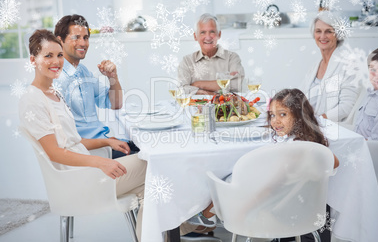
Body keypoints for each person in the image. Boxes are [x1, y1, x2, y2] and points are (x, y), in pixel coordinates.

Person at [19, 29, 147, 239]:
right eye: (48, 56)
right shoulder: (32, 100)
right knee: (149, 163)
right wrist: (101, 163)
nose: (56, 61)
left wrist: (106, 141)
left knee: (149, 189)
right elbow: (55, 153)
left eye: (59, 55)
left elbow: (73, 142)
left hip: (85, 173)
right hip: (77, 181)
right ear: (33, 60)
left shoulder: (54, 94)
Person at [183, 88, 339, 240]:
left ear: (300, 117)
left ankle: (204, 216)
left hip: (278, 212)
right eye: (272, 115)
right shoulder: (310, 143)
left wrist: (243, 211)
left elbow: (270, 188)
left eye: (282, 115)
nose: (275, 121)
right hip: (306, 210)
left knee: (225, 177)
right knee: (244, 175)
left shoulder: (293, 152)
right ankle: (205, 216)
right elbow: (334, 163)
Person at [54, 14, 139, 159]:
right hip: (91, 154)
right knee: (152, 160)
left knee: (149, 147)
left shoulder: (83, 72)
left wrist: (113, 78)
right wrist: (106, 142)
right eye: (76, 37)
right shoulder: (56, 81)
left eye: (86, 38)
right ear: (59, 40)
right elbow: (66, 141)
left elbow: (115, 104)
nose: (83, 43)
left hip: (103, 144)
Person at [300, 11, 368, 123]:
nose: (322, 36)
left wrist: (316, 120)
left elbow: (346, 107)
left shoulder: (349, 64)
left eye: (328, 31)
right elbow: (299, 95)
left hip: (331, 127)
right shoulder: (316, 65)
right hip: (309, 124)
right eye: (318, 31)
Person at [177, 13, 245, 95]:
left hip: (225, 107)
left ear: (219, 35)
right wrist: (213, 93)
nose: (208, 37)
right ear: (195, 36)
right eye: (203, 32)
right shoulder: (187, 61)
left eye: (212, 32)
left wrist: (198, 84)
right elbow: (182, 90)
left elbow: (236, 85)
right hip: (195, 107)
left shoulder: (232, 58)